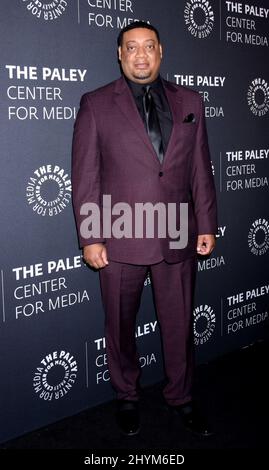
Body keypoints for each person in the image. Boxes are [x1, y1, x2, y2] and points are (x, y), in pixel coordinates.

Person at [72, 21, 217, 437]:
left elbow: (200, 170)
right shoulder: (96, 104)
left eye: (148, 47)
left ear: (161, 51)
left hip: (177, 231)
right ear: (120, 55)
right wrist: (91, 235)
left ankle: (182, 397)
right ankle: (127, 396)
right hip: (118, 233)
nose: (140, 55)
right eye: (131, 48)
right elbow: (85, 176)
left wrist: (206, 224)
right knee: (119, 325)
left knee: (179, 323)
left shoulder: (191, 101)